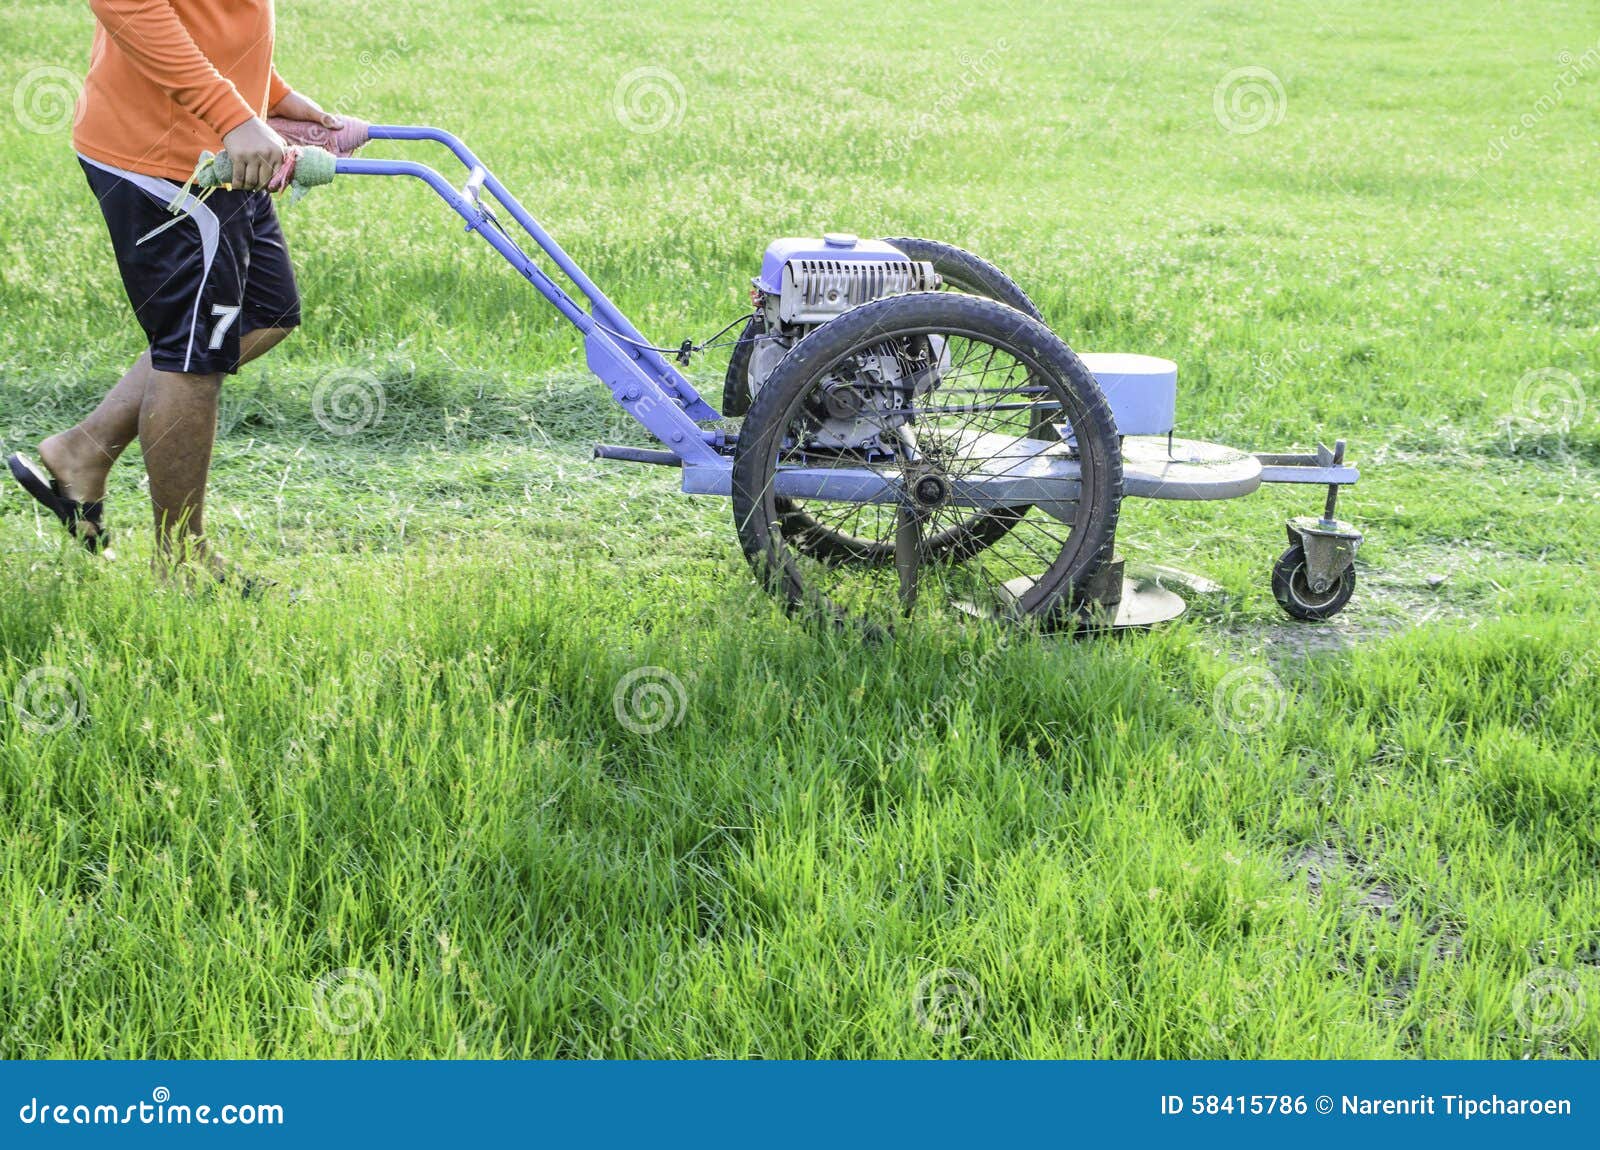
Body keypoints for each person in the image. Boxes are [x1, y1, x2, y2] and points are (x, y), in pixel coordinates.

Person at [7, 1, 341, 587]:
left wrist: (266, 92)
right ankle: (181, 563)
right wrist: (233, 114)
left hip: (220, 145)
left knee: (263, 313)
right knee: (195, 355)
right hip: (168, 159)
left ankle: (84, 449)